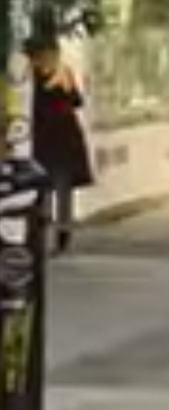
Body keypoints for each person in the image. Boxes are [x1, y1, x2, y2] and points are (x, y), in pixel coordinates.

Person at [28, 37, 92, 256]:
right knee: (42, 188)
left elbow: (76, 101)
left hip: (63, 140)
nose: (47, 59)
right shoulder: (31, 77)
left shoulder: (63, 74)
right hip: (43, 138)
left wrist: (65, 86)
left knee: (62, 189)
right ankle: (43, 235)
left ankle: (62, 234)